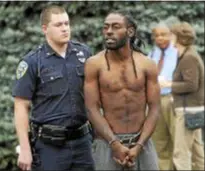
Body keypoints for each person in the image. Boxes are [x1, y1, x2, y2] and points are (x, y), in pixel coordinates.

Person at [12, 5, 94, 171]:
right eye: (58, 25)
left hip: (82, 144)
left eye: (66, 23)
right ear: (45, 29)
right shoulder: (33, 62)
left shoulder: (84, 53)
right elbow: (21, 106)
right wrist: (25, 149)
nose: (65, 29)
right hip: (49, 147)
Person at [84, 10, 160, 170]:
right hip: (107, 142)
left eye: (115, 27)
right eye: (105, 27)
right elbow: (91, 109)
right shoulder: (94, 64)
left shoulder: (147, 64)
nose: (108, 32)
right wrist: (115, 144)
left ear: (130, 31)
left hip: (142, 142)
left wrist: (139, 145)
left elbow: (154, 108)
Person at [160, 22, 204, 170]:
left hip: (187, 112)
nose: (170, 38)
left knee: (180, 153)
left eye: (172, 35)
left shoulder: (188, 57)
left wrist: (168, 85)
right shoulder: (187, 54)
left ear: (179, 38)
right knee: (198, 152)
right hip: (193, 110)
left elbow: (191, 85)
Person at [148, 22, 178, 170]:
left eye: (163, 34)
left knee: (177, 141)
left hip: (173, 100)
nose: (160, 38)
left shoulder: (178, 52)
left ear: (171, 35)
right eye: (157, 35)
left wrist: (170, 83)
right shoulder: (153, 54)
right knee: (159, 141)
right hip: (155, 102)